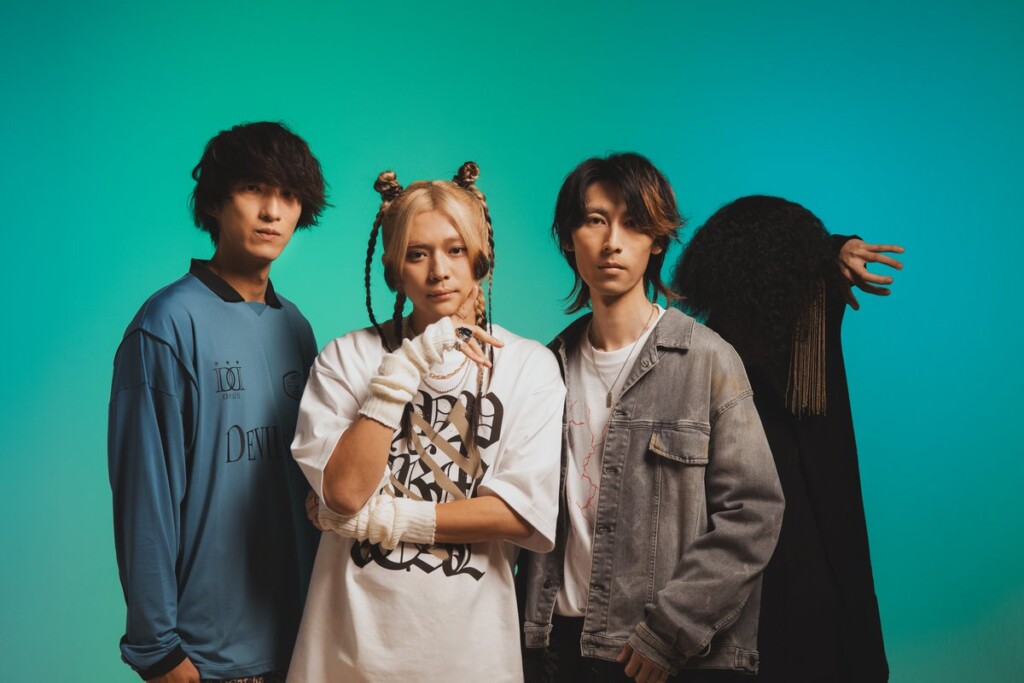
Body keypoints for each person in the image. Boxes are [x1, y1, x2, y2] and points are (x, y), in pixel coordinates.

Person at [288, 162, 564, 683]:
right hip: (348, 649)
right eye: (417, 254)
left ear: (480, 257)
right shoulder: (347, 357)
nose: (439, 271)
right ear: (395, 270)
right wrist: (405, 366)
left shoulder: (529, 366)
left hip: (471, 655)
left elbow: (518, 516)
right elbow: (344, 493)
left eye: (455, 250)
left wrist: (382, 520)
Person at [521, 153, 784, 683]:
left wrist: (671, 629)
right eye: (595, 220)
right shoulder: (545, 367)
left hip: (664, 654)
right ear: (569, 238)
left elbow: (754, 512)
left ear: (657, 240)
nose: (612, 242)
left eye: (633, 223)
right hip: (557, 646)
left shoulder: (707, 360)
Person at [108, 121, 327, 683]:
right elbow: (145, 494)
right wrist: (157, 649)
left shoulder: (297, 327)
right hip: (209, 658)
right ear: (214, 201)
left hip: (304, 643)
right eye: (254, 189)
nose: (272, 211)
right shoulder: (166, 325)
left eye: (289, 195)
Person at [672, 195, 901, 682]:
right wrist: (834, 251)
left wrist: (837, 249)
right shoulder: (712, 353)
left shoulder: (806, 337)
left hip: (776, 576)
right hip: (769, 577)